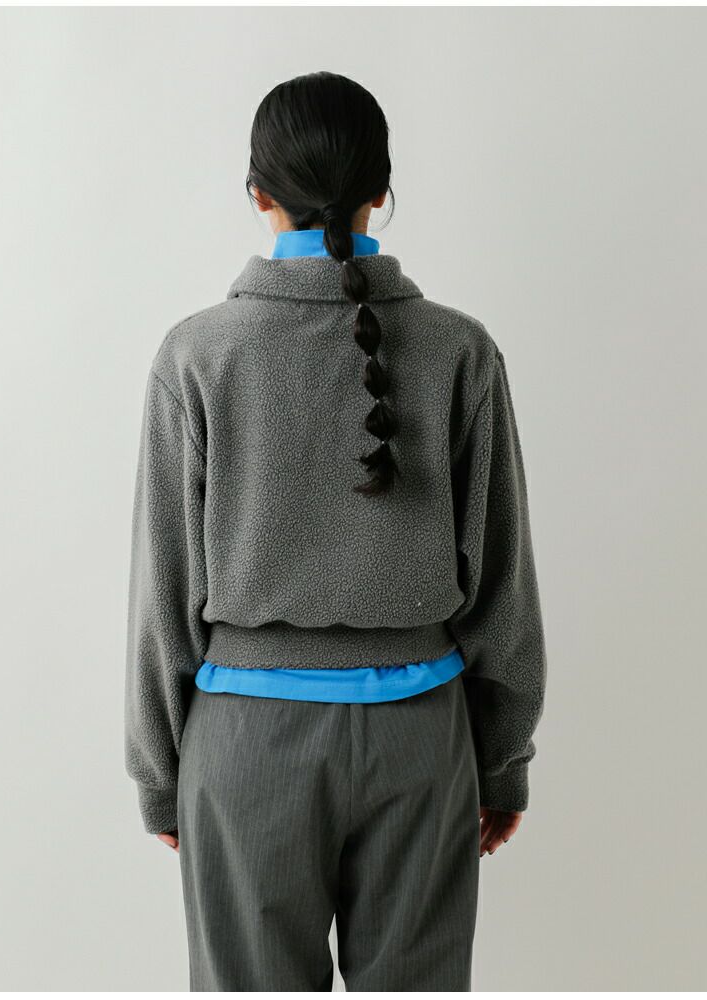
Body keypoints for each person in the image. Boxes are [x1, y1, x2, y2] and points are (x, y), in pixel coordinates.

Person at [124, 70, 547, 992]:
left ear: (257, 194)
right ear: (381, 191)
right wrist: (501, 762)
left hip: (246, 746)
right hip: (421, 744)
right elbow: (503, 584)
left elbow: (164, 590)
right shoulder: (460, 349)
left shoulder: (197, 354)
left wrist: (159, 774)